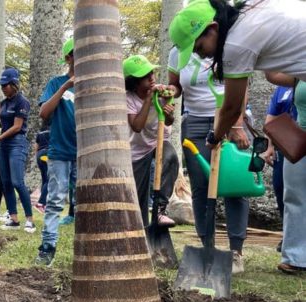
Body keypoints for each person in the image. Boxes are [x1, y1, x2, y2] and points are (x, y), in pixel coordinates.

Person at [169, 0, 306, 144]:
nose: (201, 56)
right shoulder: (249, 10)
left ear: (213, 28)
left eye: (199, 48)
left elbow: (231, 108)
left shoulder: (234, 44)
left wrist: (214, 137)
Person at [168, 46, 250, 273]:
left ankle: (236, 252)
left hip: (231, 118)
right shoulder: (178, 51)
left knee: (234, 185)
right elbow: (175, 85)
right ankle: (208, 247)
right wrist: (169, 90)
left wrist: (237, 123)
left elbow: (242, 87)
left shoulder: (230, 44)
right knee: (200, 186)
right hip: (194, 122)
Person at [34, 38, 78, 266]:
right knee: (54, 201)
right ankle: (47, 249)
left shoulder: (94, 85)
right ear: (68, 57)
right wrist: (65, 87)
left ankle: (85, 252)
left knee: (85, 204)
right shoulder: (56, 83)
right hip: (59, 152)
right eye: (77, 53)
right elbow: (44, 113)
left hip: (85, 156)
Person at [123, 55, 179, 227]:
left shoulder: (162, 93)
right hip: (138, 150)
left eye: (152, 72)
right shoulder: (128, 98)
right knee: (138, 195)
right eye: (145, 75)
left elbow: (169, 121)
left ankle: (160, 209)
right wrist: (148, 100)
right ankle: (141, 229)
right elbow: (137, 126)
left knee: (170, 158)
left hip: (159, 141)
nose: (151, 77)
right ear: (134, 83)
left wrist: (169, 113)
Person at [0, 68, 36, 233]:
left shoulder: (22, 102)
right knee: (6, 182)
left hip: (17, 143)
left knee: (17, 181)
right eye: (1, 85)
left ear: (14, 84)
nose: (3, 88)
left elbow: (17, 127)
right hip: (4, 145)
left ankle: (30, 219)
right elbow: (7, 122)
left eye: (6, 85)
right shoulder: (4, 103)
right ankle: (14, 218)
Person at [263, 85, 298, 253]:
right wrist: (269, 147)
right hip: (284, 146)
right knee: (281, 189)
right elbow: (271, 119)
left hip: (301, 142)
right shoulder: (281, 89)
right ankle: (288, 236)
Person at [33, 121, 49, 214]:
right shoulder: (53, 131)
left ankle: (44, 203)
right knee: (49, 179)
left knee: (44, 179)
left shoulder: (40, 133)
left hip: (39, 154)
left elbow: (36, 147)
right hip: (47, 153)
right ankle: (41, 203)